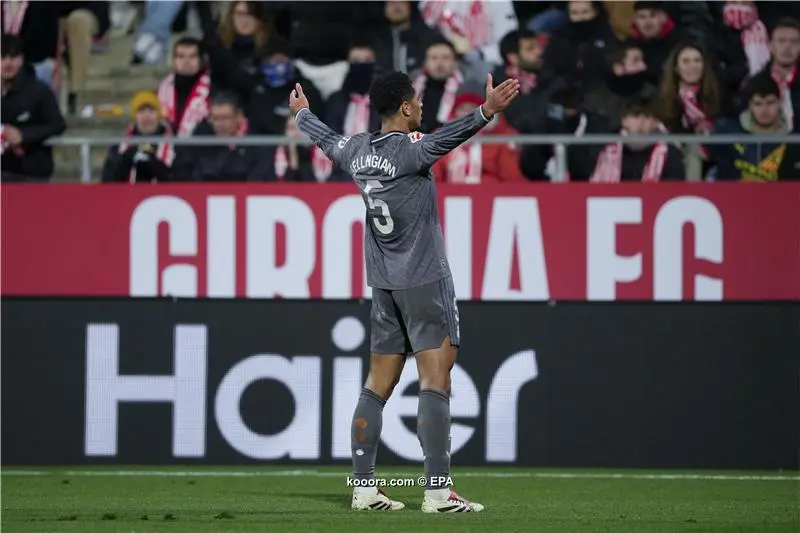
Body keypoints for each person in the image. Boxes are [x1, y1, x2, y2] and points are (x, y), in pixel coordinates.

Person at [289, 71, 520, 512]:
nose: (422, 109)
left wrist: (303, 115)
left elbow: (327, 141)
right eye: (417, 103)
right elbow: (449, 138)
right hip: (425, 282)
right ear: (406, 109)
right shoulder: (412, 151)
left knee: (376, 385)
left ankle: (363, 487)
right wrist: (486, 111)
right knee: (436, 381)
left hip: (383, 285)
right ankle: (436, 491)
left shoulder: (357, 151)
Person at [1, 35, 66, 181]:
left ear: (22, 60)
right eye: (2, 57)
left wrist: (23, 135)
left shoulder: (39, 91)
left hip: (31, 174)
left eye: (13, 57)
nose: (8, 63)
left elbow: (57, 124)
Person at [714, 73, 799, 181]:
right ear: (750, 105)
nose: (764, 110)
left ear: (779, 103)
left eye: (770, 103)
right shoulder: (729, 132)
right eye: (758, 104)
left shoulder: (794, 140)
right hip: (734, 196)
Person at [102, 91, 174, 183]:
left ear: (159, 116)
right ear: (134, 117)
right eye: (141, 111)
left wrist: (155, 165)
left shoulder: (174, 145)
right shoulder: (119, 147)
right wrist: (126, 158)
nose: (146, 116)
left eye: (151, 110)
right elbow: (108, 180)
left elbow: (178, 179)